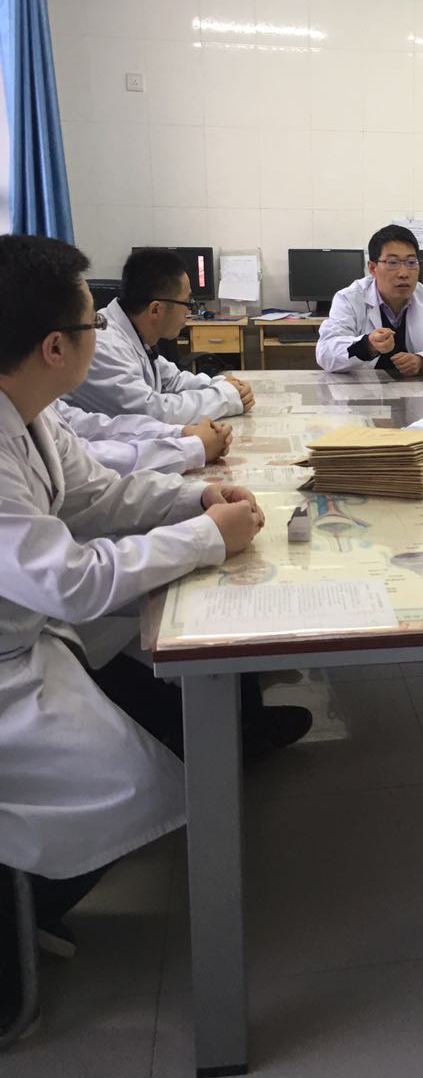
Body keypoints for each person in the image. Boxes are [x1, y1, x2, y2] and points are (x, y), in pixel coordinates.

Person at [0, 235, 267, 1034]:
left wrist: (195, 501)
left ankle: (29, 904)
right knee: (132, 788)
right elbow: (71, 580)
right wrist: (208, 538)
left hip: (29, 633)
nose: (101, 333)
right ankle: (15, 929)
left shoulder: (29, 411)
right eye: (91, 324)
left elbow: (98, 495)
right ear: (56, 347)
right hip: (12, 659)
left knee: (141, 717)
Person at [66, 248, 255, 422]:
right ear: (156, 309)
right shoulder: (104, 345)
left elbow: (173, 380)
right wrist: (224, 397)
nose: (189, 312)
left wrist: (221, 385)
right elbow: (152, 412)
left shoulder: (135, 335)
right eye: (188, 303)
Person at [316, 224, 423, 375]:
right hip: (364, 388)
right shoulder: (350, 298)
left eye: (411, 262)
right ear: (372, 268)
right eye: (392, 263)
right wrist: (367, 345)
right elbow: (325, 353)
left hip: (416, 387)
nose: (404, 273)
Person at [53, 398, 231, 476]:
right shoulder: (107, 345)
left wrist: (183, 433)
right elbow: (89, 463)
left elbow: (91, 426)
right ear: (55, 347)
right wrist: (192, 449)